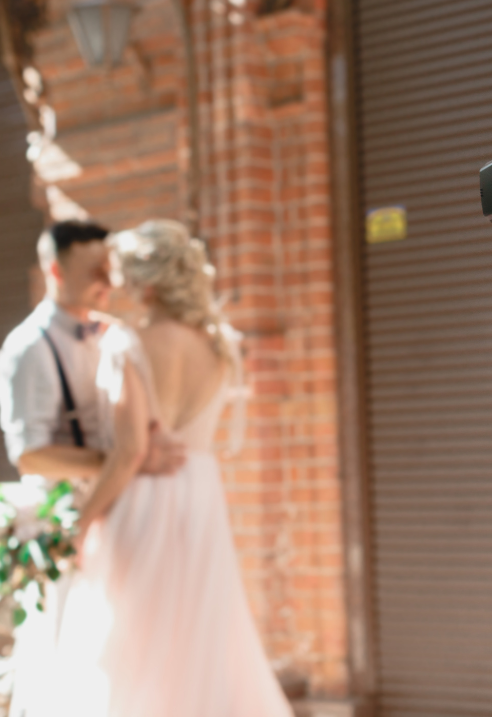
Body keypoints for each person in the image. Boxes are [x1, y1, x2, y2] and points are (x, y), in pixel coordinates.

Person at [18, 220, 292, 717]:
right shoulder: (220, 344)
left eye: (118, 271)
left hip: (145, 499)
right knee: (200, 636)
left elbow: (129, 453)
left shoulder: (131, 344)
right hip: (201, 493)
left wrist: (83, 524)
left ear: (145, 283)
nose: (111, 281)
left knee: (128, 644)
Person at [0, 220, 185, 717]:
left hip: (119, 513)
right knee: (58, 656)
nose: (109, 278)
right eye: (95, 270)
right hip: (59, 524)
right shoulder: (26, 348)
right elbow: (31, 454)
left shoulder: (115, 336)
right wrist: (126, 459)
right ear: (55, 271)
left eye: (110, 266)